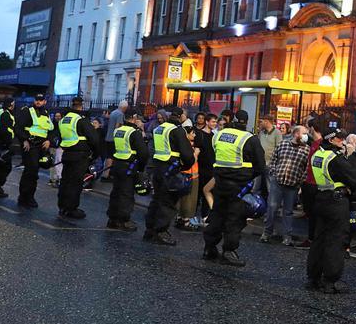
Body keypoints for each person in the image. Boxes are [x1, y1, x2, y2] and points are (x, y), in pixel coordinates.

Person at [202, 112, 266, 267]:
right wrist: (249, 176)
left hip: (220, 182)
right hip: (239, 185)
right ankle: (229, 251)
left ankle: (209, 248)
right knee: (234, 219)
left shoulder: (219, 135)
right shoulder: (249, 138)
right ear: (246, 122)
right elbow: (260, 165)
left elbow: (215, 154)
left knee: (216, 214)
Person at [307, 125, 356, 293]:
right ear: (330, 139)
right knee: (335, 241)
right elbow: (355, 179)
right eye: (339, 138)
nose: (342, 141)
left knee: (319, 240)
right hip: (337, 202)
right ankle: (330, 280)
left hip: (321, 198)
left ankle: (313, 278)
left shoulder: (318, 154)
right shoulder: (335, 158)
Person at [143, 107, 195, 245]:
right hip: (171, 169)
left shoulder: (159, 128)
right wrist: (185, 165)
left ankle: (150, 229)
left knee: (157, 199)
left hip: (158, 167)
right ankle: (160, 231)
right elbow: (187, 154)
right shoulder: (177, 130)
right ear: (180, 116)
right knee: (168, 202)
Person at [262, 124, 310, 246]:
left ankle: (287, 237)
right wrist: (273, 174)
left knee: (288, 211)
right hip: (277, 182)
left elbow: (306, 169)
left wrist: (299, 182)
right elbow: (274, 160)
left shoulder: (306, 149)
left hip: (292, 185)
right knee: (272, 208)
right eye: (303, 133)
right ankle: (267, 233)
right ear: (296, 134)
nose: (305, 136)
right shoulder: (283, 144)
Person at [56, 97, 99, 219]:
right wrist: (94, 154)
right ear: (81, 106)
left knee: (65, 181)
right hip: (80, 155)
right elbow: (94, 139)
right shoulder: (81, 120)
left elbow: (60, 137)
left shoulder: (63, 120)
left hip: (67, 153)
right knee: (75, 183)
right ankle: (71, 208)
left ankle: (62, 206)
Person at [107, 110, 148, 231]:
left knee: (116, 192)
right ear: (134, 118)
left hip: (118, 164)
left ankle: (112, 218)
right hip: (130, 166)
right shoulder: (134, 132)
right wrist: (141, 168)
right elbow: (143, 153)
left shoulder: (118, 130)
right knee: (126, 194)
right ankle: (123, 220)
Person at [15, 93, 54, 207]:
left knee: (34, 172)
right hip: (30, 145)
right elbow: (18, 128)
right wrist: (24, 140)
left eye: (41, 100)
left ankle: (29, 197)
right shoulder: (28, 111)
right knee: (30, 171)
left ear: (44, 102)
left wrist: (49, 140)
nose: (38, 102)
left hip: (41, 146)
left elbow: (51, 130)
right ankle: (24, 197)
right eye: (37, 99)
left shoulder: (46, 114)